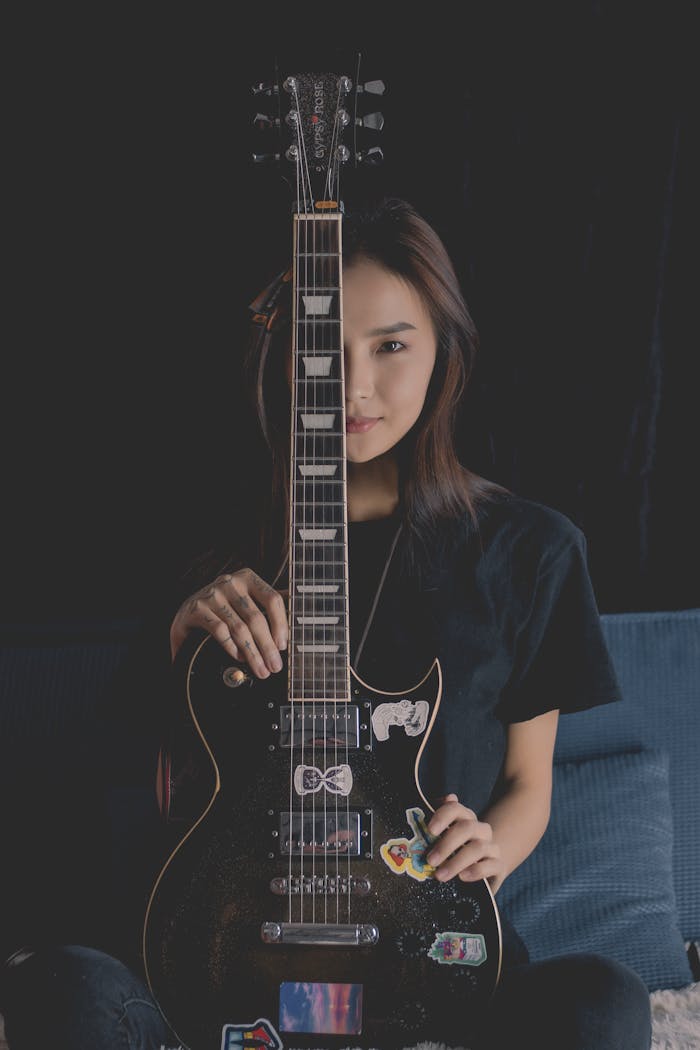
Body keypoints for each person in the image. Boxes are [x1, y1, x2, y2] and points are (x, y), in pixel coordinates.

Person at [0, 197, 653, 1050]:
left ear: (443, 349)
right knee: (58, 985)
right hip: (227, 957)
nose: (354, 387)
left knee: (603, 1004)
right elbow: (127, 787)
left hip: (429, 957)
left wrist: (486, 843)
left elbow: (530, 780)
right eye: (323, 351)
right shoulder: (216, 549)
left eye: (391, 346)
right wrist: (178, 646)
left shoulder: (530, 553)